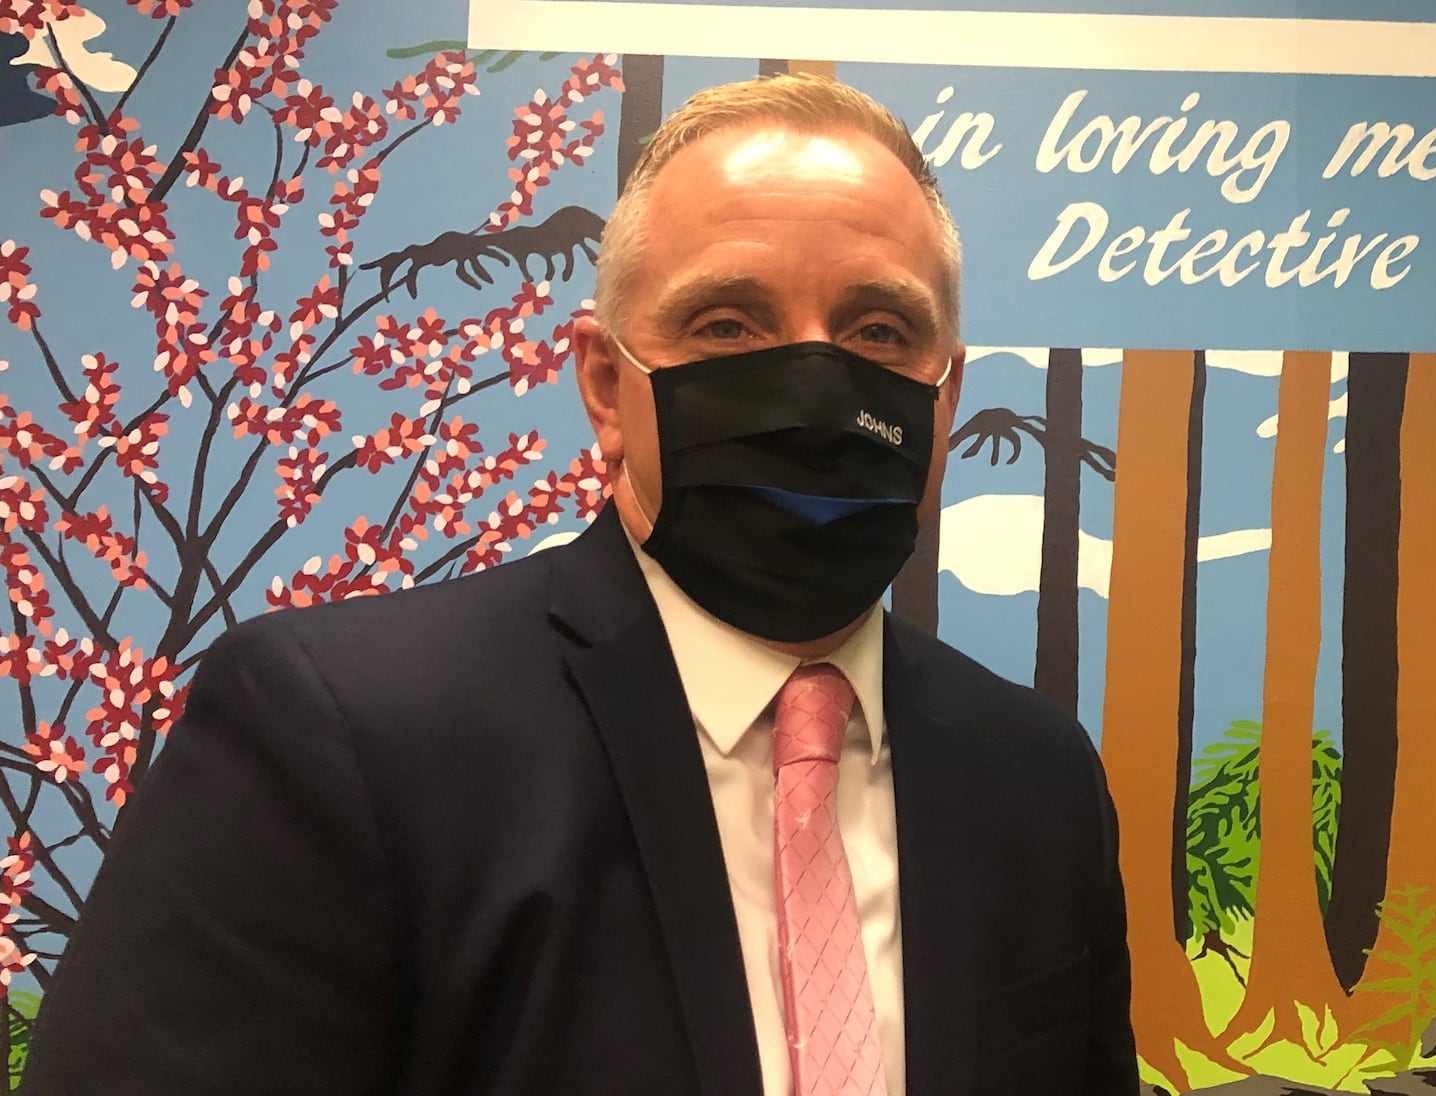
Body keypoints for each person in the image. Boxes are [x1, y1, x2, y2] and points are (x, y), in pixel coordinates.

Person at [21, 75, 1138, 1095]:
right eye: (726, 323)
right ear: (606, 386)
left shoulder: (1035, 782)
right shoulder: (340, 737)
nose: (811, 379)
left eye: (879, 330)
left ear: (943, 398)